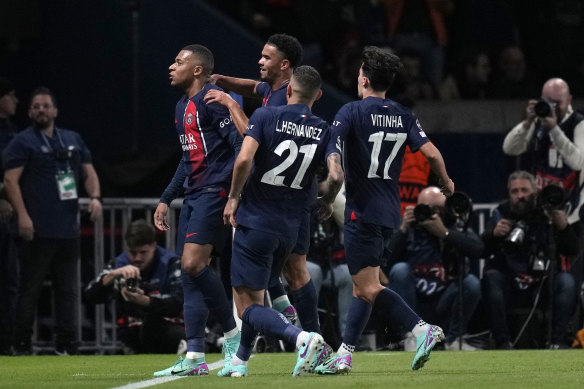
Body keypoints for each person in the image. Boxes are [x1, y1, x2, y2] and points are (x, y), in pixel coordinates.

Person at [315, 46, 455, 375]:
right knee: (363, 285)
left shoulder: (349, 112)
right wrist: (446, 183)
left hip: (361, 212)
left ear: (363, 79)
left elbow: (335, 171)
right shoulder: (404, 114)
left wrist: (327, 198)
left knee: (367, 286)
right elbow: (432, 154)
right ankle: (345, 354)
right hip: (391, 213)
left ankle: (422, 329)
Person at [220, 65, 344, 377]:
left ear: (288, 89)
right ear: (318, 95)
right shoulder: (325, 129)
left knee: (247, 307)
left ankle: (302, 338)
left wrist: (233, 197)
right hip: (291, 228)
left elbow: (245, 158)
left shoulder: (265, 117)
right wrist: (327, 200)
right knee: (263, 294)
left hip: (257, 220)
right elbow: (337, 174)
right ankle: (240, 361)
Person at [207, 33, 322, 334]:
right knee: (278, 264)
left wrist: (231, 105)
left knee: (294, 270)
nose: (259, 61)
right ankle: (289, 317)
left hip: (284, 198)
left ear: (285, 66)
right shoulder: (276, 89)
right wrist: (224, 80)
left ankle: (311, 336)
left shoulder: (283, 98)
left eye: (266, 58)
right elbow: (252, 86)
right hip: (286, 197)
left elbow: (256, 142)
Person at [152, 44, 242, 377]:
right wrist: (166, 197)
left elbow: (239, 147)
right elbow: (187, 158)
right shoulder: (181, 106)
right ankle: (194, 356)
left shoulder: (212, 100)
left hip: (213, 193)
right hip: (192, 196)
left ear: (198, 70)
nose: (171, 67)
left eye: (179, 62)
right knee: (189, 275)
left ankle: (232, 334)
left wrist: (231, 192)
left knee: (193, 264)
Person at [3, 87, 103, 355]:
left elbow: (88, 171)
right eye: (36, 106)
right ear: (29, 112)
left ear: (55, 111)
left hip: (67, 230)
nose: (41, 110)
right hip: (36, 229)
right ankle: (21, 343)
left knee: (68, 291)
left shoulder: (71, 139)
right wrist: (23, 216)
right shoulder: (22, 141)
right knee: (30, 290)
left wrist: (95, 197)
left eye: (46, 106)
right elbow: (10, 180)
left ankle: (66, 344)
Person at [503, 78, 584, 294]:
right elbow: (509, 148)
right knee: (539, 276)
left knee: (569, 281)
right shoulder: (538, 122)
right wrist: (528, 122)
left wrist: (555, 130)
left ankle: (567, 326)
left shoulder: (578, 123)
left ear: (570, 100)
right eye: (548, 101)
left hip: (571, 215)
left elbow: (577, 162)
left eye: (558, 102)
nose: (554, 107)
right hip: (539, 213)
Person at [481, 170, 579, 349]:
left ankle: (558, 342)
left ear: (535, 192)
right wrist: (494, 235)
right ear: (509, 194)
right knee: (491, 277)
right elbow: (481, 250)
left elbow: (572, 249)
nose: (520, 196)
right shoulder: (501, 213)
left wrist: (563, 227)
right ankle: (503, 342)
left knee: (567, 281)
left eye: (525, 191)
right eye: (515, 191)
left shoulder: (548, 212)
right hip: (510, 282)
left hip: (542, 284)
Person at [386, 186, 483, 351]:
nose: (434, 214)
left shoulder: (454, 227)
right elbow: (384, 262)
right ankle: (413, 336)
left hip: (444, 301)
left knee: (471, 283)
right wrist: (402, 230)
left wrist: (445, 233)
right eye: (427, 209)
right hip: (415, 302)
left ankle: (453, 340)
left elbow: (479, 249)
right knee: (400, 269)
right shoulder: (408, 229)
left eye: (439, 209)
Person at [84, 219, 184, 353]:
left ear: (153, 246)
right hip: (132, 334)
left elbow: (179, 302)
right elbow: (90, 295)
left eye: (143, 252)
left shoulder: (171, 262)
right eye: (133, 252)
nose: (137, 258)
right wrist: (112, 276)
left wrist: (145, 301)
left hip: (170, 328)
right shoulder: (119, 264)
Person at [306, 188, 352, 338]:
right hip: (299, 267)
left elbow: (348, 221)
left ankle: (349, 337)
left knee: (348, 274)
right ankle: (303, 335)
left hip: (329, 266)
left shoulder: (335, 207)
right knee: (313, 271)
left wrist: (331, 194)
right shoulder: (304, 202)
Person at [0, 76, 19, 355]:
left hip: (9, 221)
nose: (16, 101)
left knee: (10, 283)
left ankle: (6, 344)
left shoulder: (12, 131)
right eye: (11, 95)